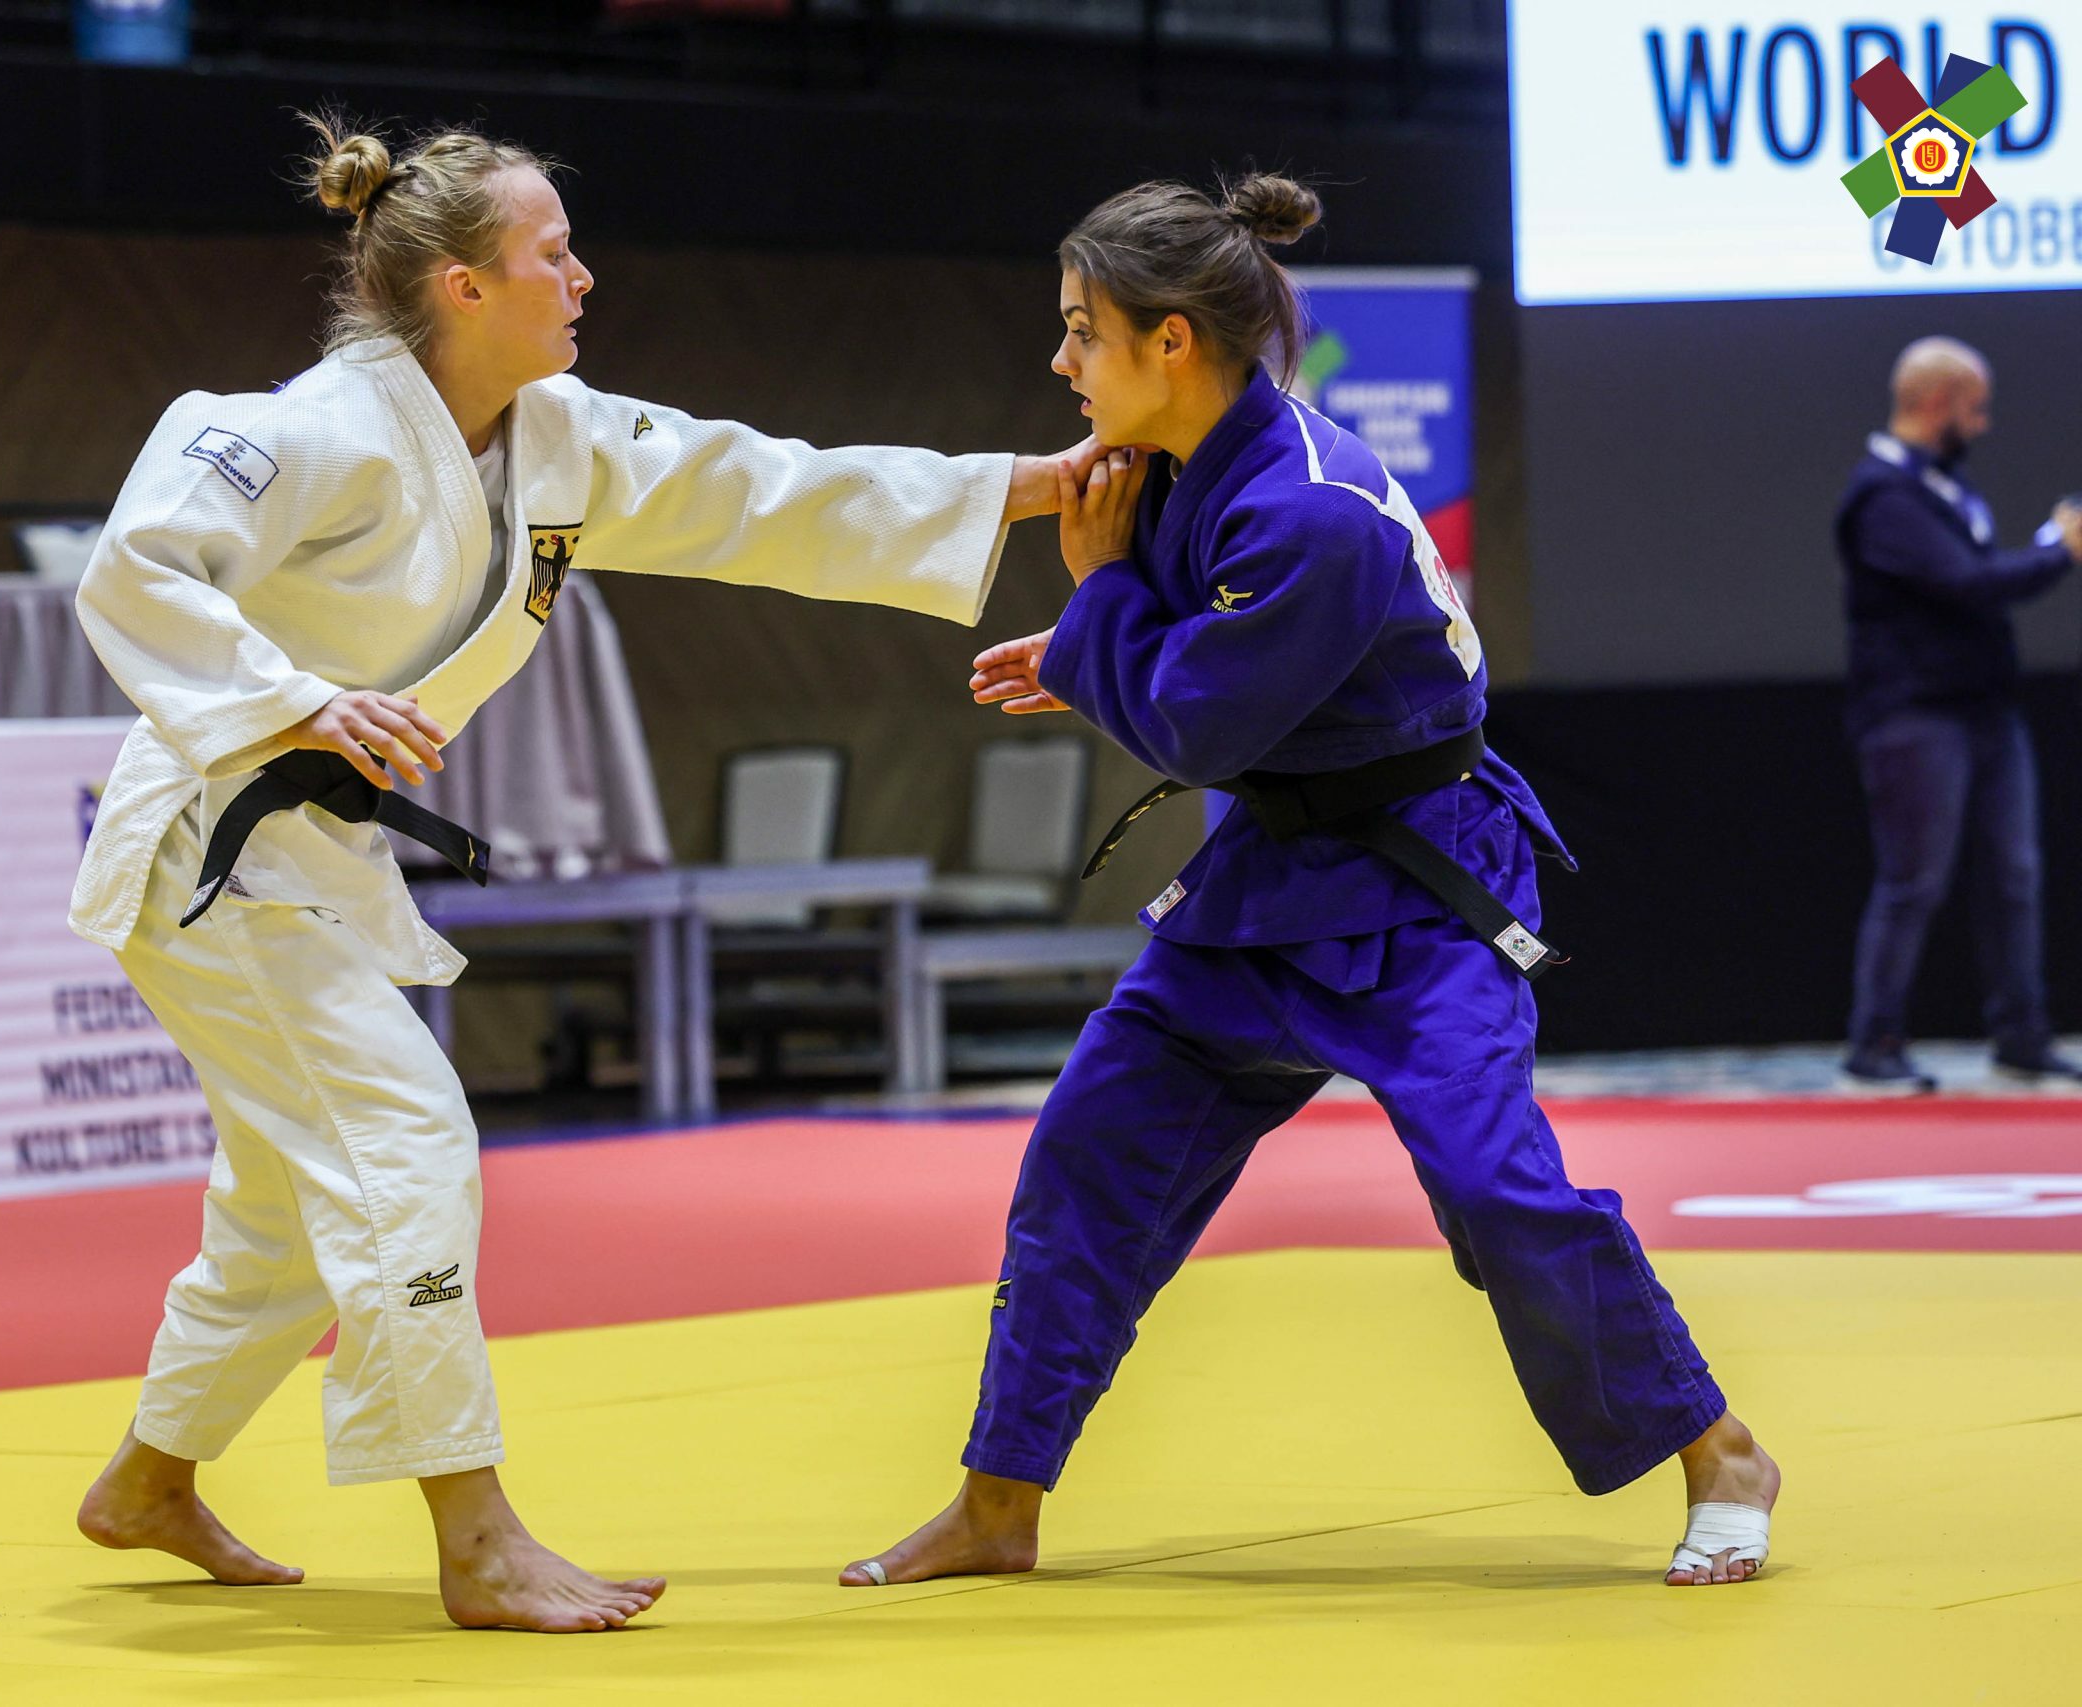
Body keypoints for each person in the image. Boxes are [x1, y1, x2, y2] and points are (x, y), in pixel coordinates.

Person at [64, 118, 1085, 1633]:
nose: (583, 275)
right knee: (406, 1145)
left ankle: (148, 1476)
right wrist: (287, 695)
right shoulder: (305, 427)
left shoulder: (557, 438)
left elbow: (766, 491)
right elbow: (137, 560)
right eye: (554, 252)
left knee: (288, 1210)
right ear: (464, 286)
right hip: (214, 853)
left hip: (315, 862)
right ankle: (473, 1534)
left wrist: (1027, 485)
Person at [840, 173, 1780, 1594]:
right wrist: (1095, 637)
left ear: (1171, 342)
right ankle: (998, 1497)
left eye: (1080, 331)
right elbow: (1194, 679)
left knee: (1493, 1186)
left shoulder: (1308, 508)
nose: (1059, 361)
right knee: (1088, 1155)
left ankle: (1720, 1449)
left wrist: (1095, 611)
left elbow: (1200, 722)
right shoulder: (1164, 469)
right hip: (1265, 882)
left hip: (1421, 886)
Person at [1837, 336, 2082, 1092]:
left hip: (1985, 711)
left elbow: (1975, 579)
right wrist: (2060, 551)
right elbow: (1967, 583)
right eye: (1974, 407)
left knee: (2014, 875)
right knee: (1915, 879)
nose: (1982, 424)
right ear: (1935, 402)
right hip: (1915, 716)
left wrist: (2048, 546)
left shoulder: (1945, 487)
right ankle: (1872, 1046)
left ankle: (2021, 1037)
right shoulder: (1883, 496)